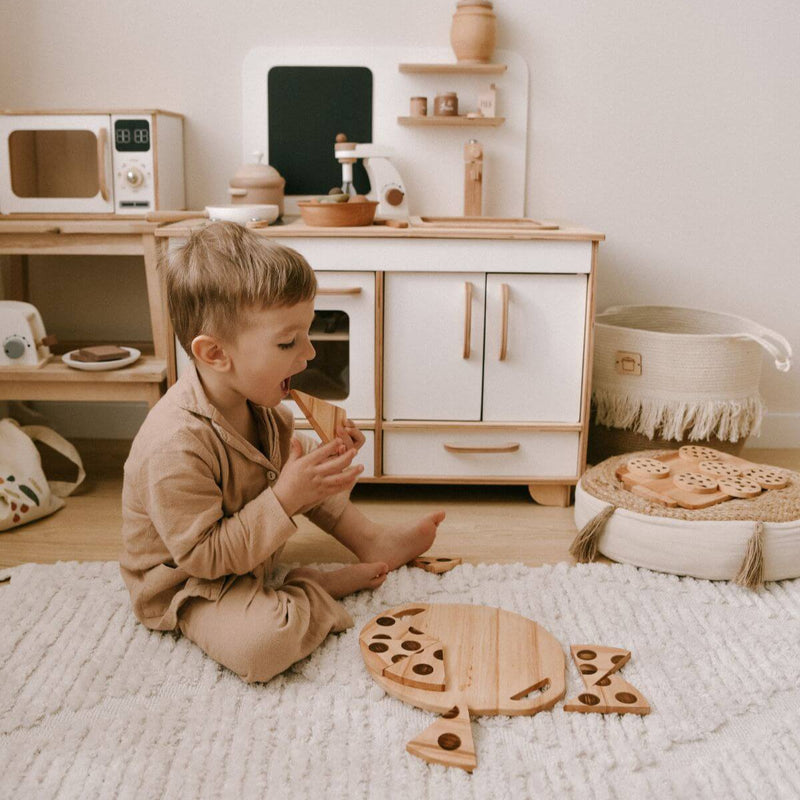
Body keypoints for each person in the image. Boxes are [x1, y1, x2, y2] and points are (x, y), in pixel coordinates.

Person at [119, 222, 445, 683]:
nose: (309, 353)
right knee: (263, 647)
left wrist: (325, 458)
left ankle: (371, 540)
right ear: (215, 354)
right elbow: (203, 559)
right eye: (288, 342)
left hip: (248, 558)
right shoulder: (173, 446)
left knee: (300, 465)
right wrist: (289, 495)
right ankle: (309, 588)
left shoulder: (266, 409)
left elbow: (282, 467)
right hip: (191, 584)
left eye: (307, 333)